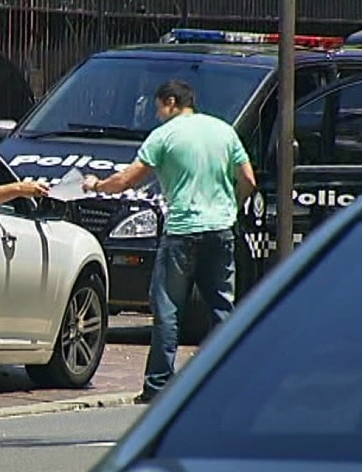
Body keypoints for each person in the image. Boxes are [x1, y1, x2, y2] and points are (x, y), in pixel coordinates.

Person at [81, 79, 257, 404]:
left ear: (172, 102)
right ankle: (230, 380)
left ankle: (158, 385)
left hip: (182, 231)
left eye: (159, 107)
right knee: (221, 307)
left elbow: (126, 180)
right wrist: (231, 207)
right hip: (221, 229)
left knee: (167, 307)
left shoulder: (164, 136)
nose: (157, 114)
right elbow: (248, 179)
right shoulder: (224, 131)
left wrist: (95, 186)